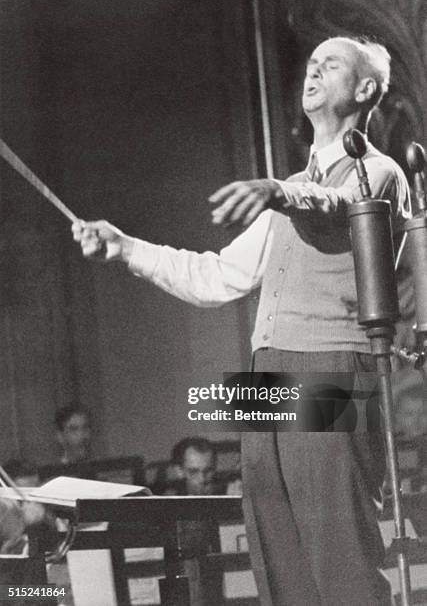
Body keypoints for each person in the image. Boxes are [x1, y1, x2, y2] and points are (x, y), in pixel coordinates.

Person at [73, 36, 411, 605]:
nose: (312, 71)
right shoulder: (289, 191)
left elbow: (335, 210)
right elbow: (216, 277)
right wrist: (125, 248)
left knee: (339, 558)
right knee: (276, 557)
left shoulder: (378, 173)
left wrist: (279, 191)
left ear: (365, 89)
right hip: (263, 376)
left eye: (330, 65)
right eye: (310, 63)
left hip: (330, 369)